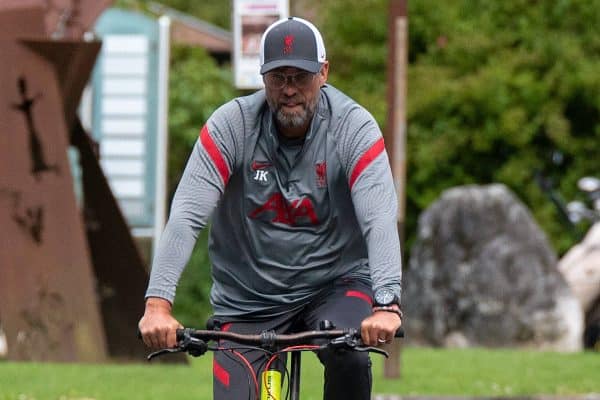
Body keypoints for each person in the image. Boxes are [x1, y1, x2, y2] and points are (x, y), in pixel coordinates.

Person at [138, 16, 402, 400]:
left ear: (323, 73)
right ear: (263, 79)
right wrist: (157, 305)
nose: (290, 89)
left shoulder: (354, 128)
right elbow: (186, 216)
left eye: (301, 76)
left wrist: (387, 304)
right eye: (279, 77)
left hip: (335, 285)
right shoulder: (230, 126)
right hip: (248, 298)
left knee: (351, 357)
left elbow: (378, 219)